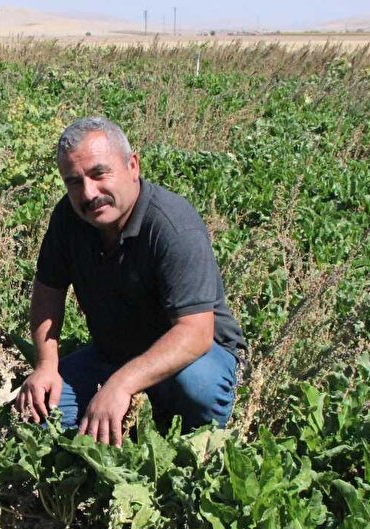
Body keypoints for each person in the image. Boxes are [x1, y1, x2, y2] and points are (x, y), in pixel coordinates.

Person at [16, 116, 245, 446]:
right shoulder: (68, 217)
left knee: (197, 387)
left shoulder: (172, 226)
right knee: (39, 415)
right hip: (113, 355)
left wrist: (122, 384)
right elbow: (47, 293)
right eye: (74, 182)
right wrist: (46, 365)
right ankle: (126, 415)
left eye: (99, 174)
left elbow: (195, 333)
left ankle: (192, 445)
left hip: (196, 358)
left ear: (132, 165)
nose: (89, 193)